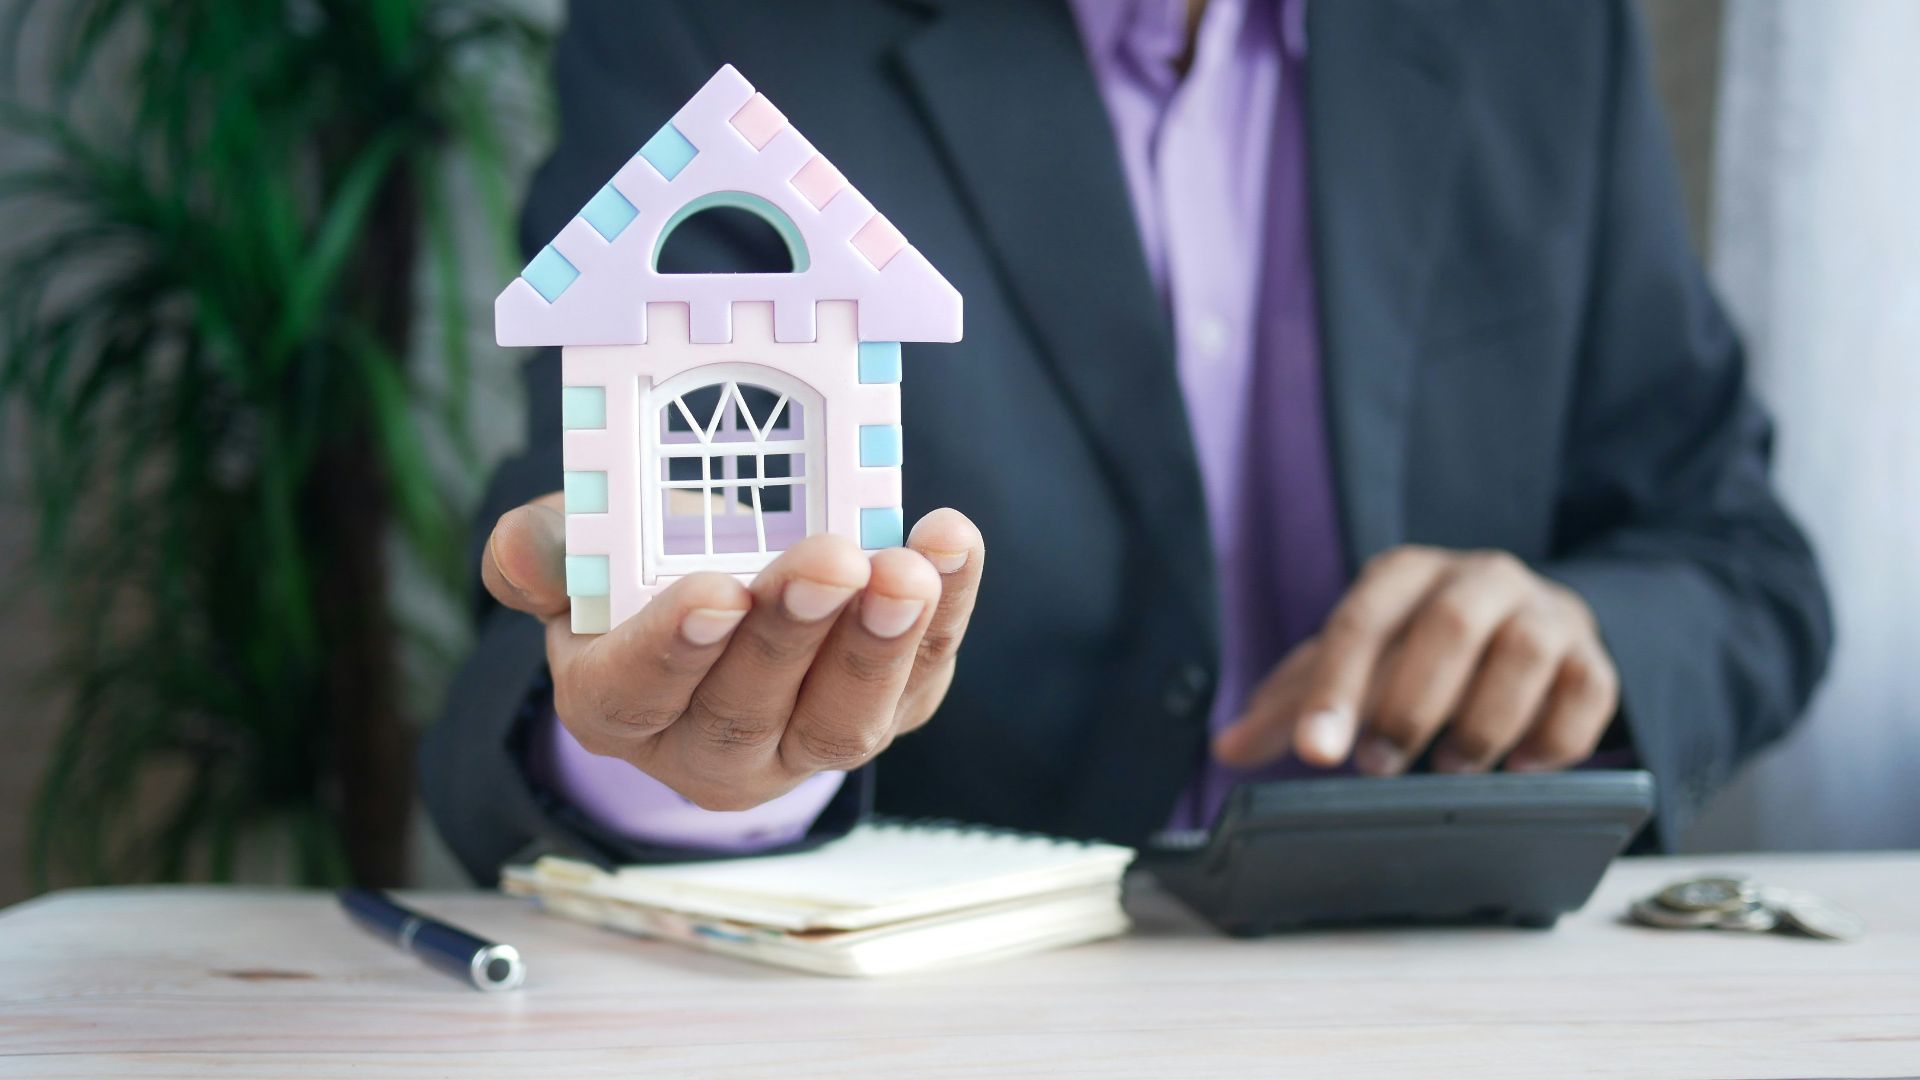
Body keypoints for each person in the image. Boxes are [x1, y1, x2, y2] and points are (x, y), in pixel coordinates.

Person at [423, 0, 1831, 879]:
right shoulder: (714, 29)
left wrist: (1582, 638)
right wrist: (685, 765)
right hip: (946, 1020)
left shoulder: (1537, 28)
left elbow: (1738, 558)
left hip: (1446, 986)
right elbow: (570, 605)